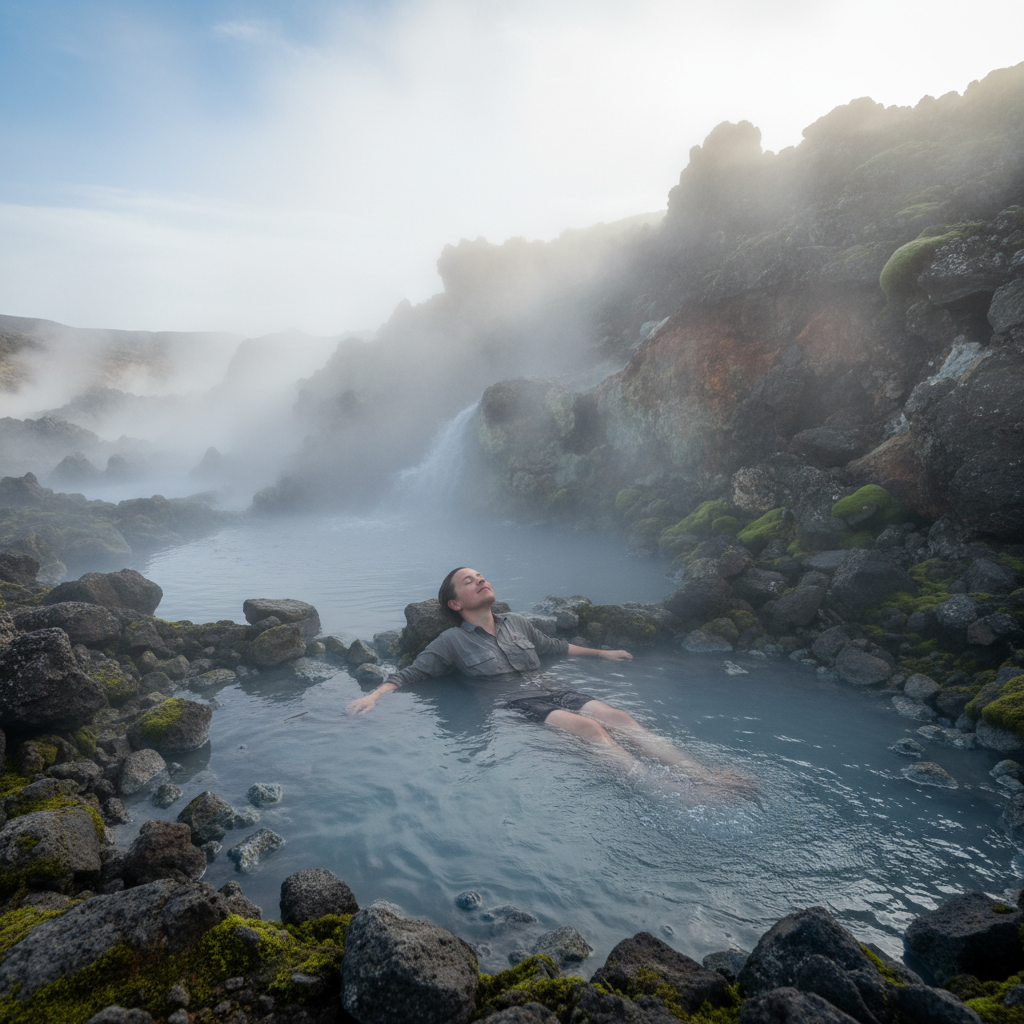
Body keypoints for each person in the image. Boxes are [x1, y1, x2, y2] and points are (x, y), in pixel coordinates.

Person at [346, 567, 755, 798]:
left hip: (549, 686)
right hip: (510, 701)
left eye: (481, 575)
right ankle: (667, 789)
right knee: (589, 728)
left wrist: (602, 654)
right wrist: (375, 696)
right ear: (455, 603)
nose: (480, 579)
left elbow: (556, 646)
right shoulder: (451, 640)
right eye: (469, 581)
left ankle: (705, 774)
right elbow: (411, 673)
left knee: (619, 716)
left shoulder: (517, 622)